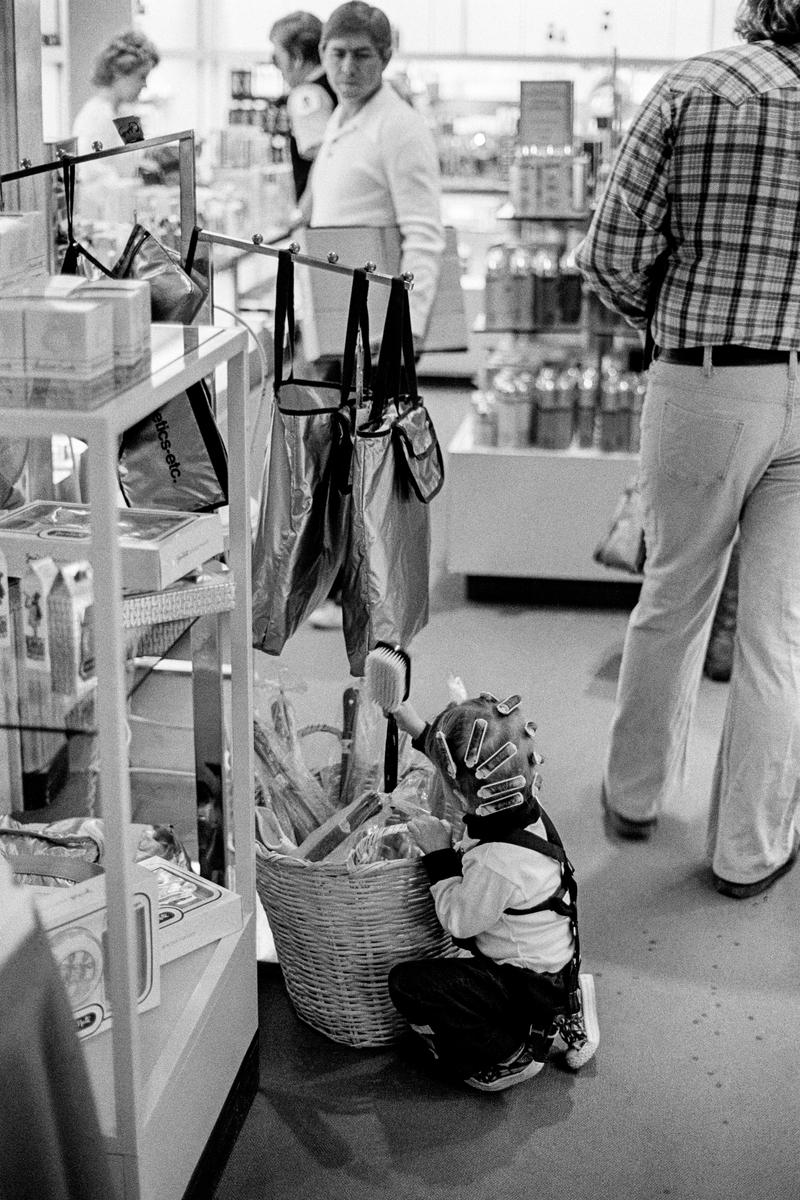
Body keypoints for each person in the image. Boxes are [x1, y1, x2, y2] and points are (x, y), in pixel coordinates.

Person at [574, 0, 800, 899]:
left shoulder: (699, 84)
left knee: (675, 596)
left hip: (708, 378)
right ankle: (750, 848)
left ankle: (634, 797)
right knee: (779, 632)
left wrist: (673, 324)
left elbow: (609, 254)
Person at [386, 690, 599, 1092]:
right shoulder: (522, 803)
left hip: (523, 986)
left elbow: (459, 924)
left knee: (408, 984)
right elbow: (467, 769)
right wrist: (414, 724)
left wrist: (438, 856)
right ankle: (568, 1004)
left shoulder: (495, 861)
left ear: (458, 793)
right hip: (556, 962)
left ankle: (511, 1053)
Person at [308, 1, 445, 346]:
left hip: (381, 330)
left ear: (385, 58)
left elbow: (424, 234)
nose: (348, 67)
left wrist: (406, 328)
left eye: (362, 55)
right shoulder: (341, 117)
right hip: (342, 319)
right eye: (338, 53)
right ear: (322, 52)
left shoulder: (400, 127)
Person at [269, 11, 337, 203]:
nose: (278, 67)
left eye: (277, 58)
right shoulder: (332, 84)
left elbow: (322, 157)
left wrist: (303, 212)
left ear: (296, 58)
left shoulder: (305, 95)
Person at [72, 29, 160, 159]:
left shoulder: (125, 113)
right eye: (141, 77)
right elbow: (91, 175)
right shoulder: (97, 115)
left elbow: (138, 158)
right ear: (119, 72)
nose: (145, 85)